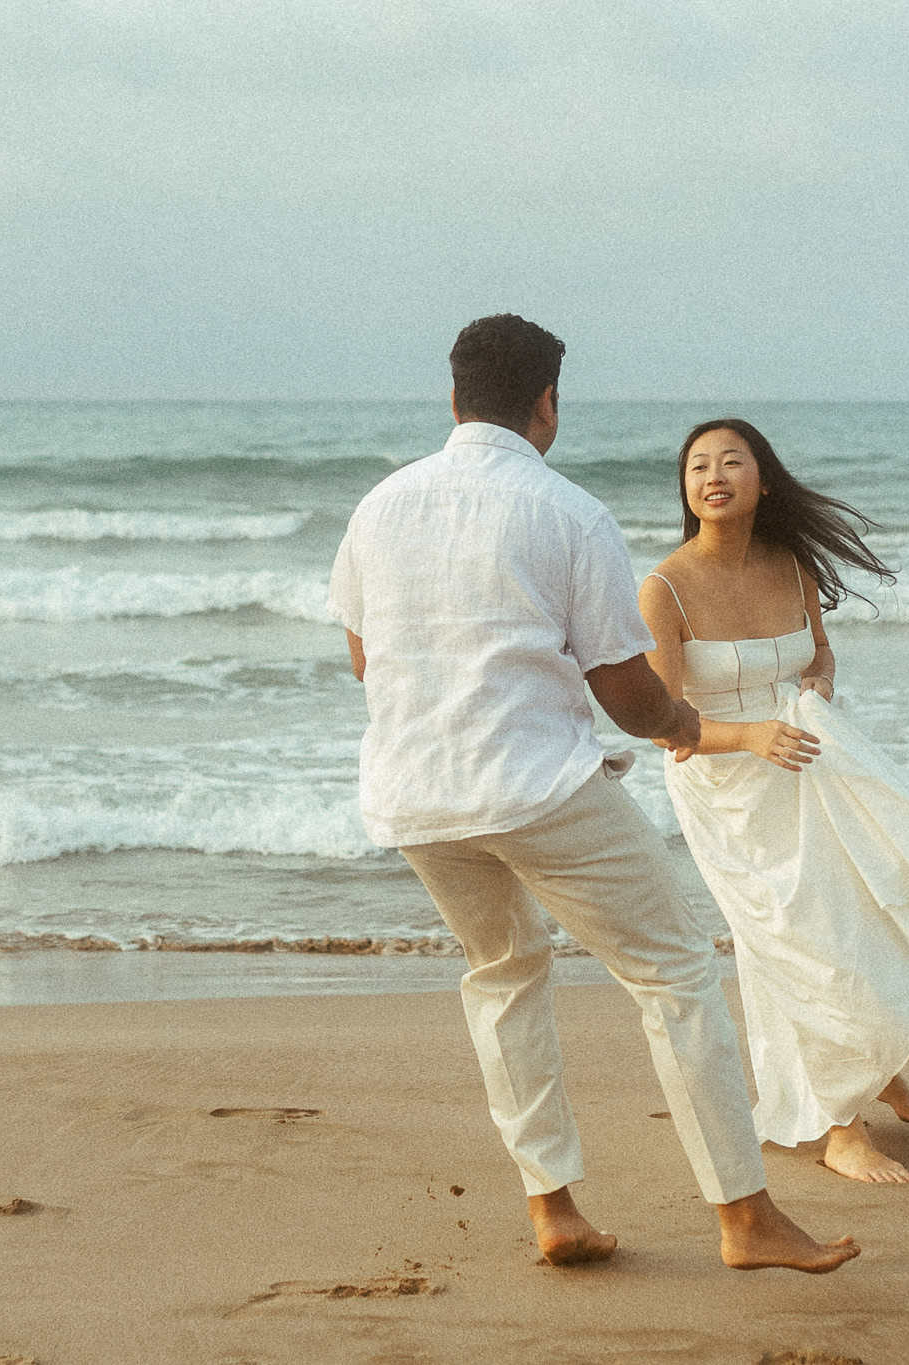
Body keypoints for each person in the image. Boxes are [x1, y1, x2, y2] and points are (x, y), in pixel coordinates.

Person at [328, 318, 857, 1273]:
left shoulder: (381, 505)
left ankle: (554, 1205)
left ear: (453, 401)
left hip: (416, 794)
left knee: (503, 972)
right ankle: (743, 1216)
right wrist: (687, 729)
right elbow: (626, 691)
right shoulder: (568, 512)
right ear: (548, 405)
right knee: (676, 972)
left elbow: (364, 655)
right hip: (536, 786)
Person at [639, 418, 909, 1185]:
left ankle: (872, 1066)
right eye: (698, 465)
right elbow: (662, 725)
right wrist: (748, 737)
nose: (713, 475)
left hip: (811, 761)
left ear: (763, 480)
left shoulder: (791, 564)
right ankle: (842, 1127)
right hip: (727, 784)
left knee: (866, 914)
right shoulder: (664, 587)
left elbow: (820, 648)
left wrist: (819, 685)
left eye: (731, 461)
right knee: (799, 943)